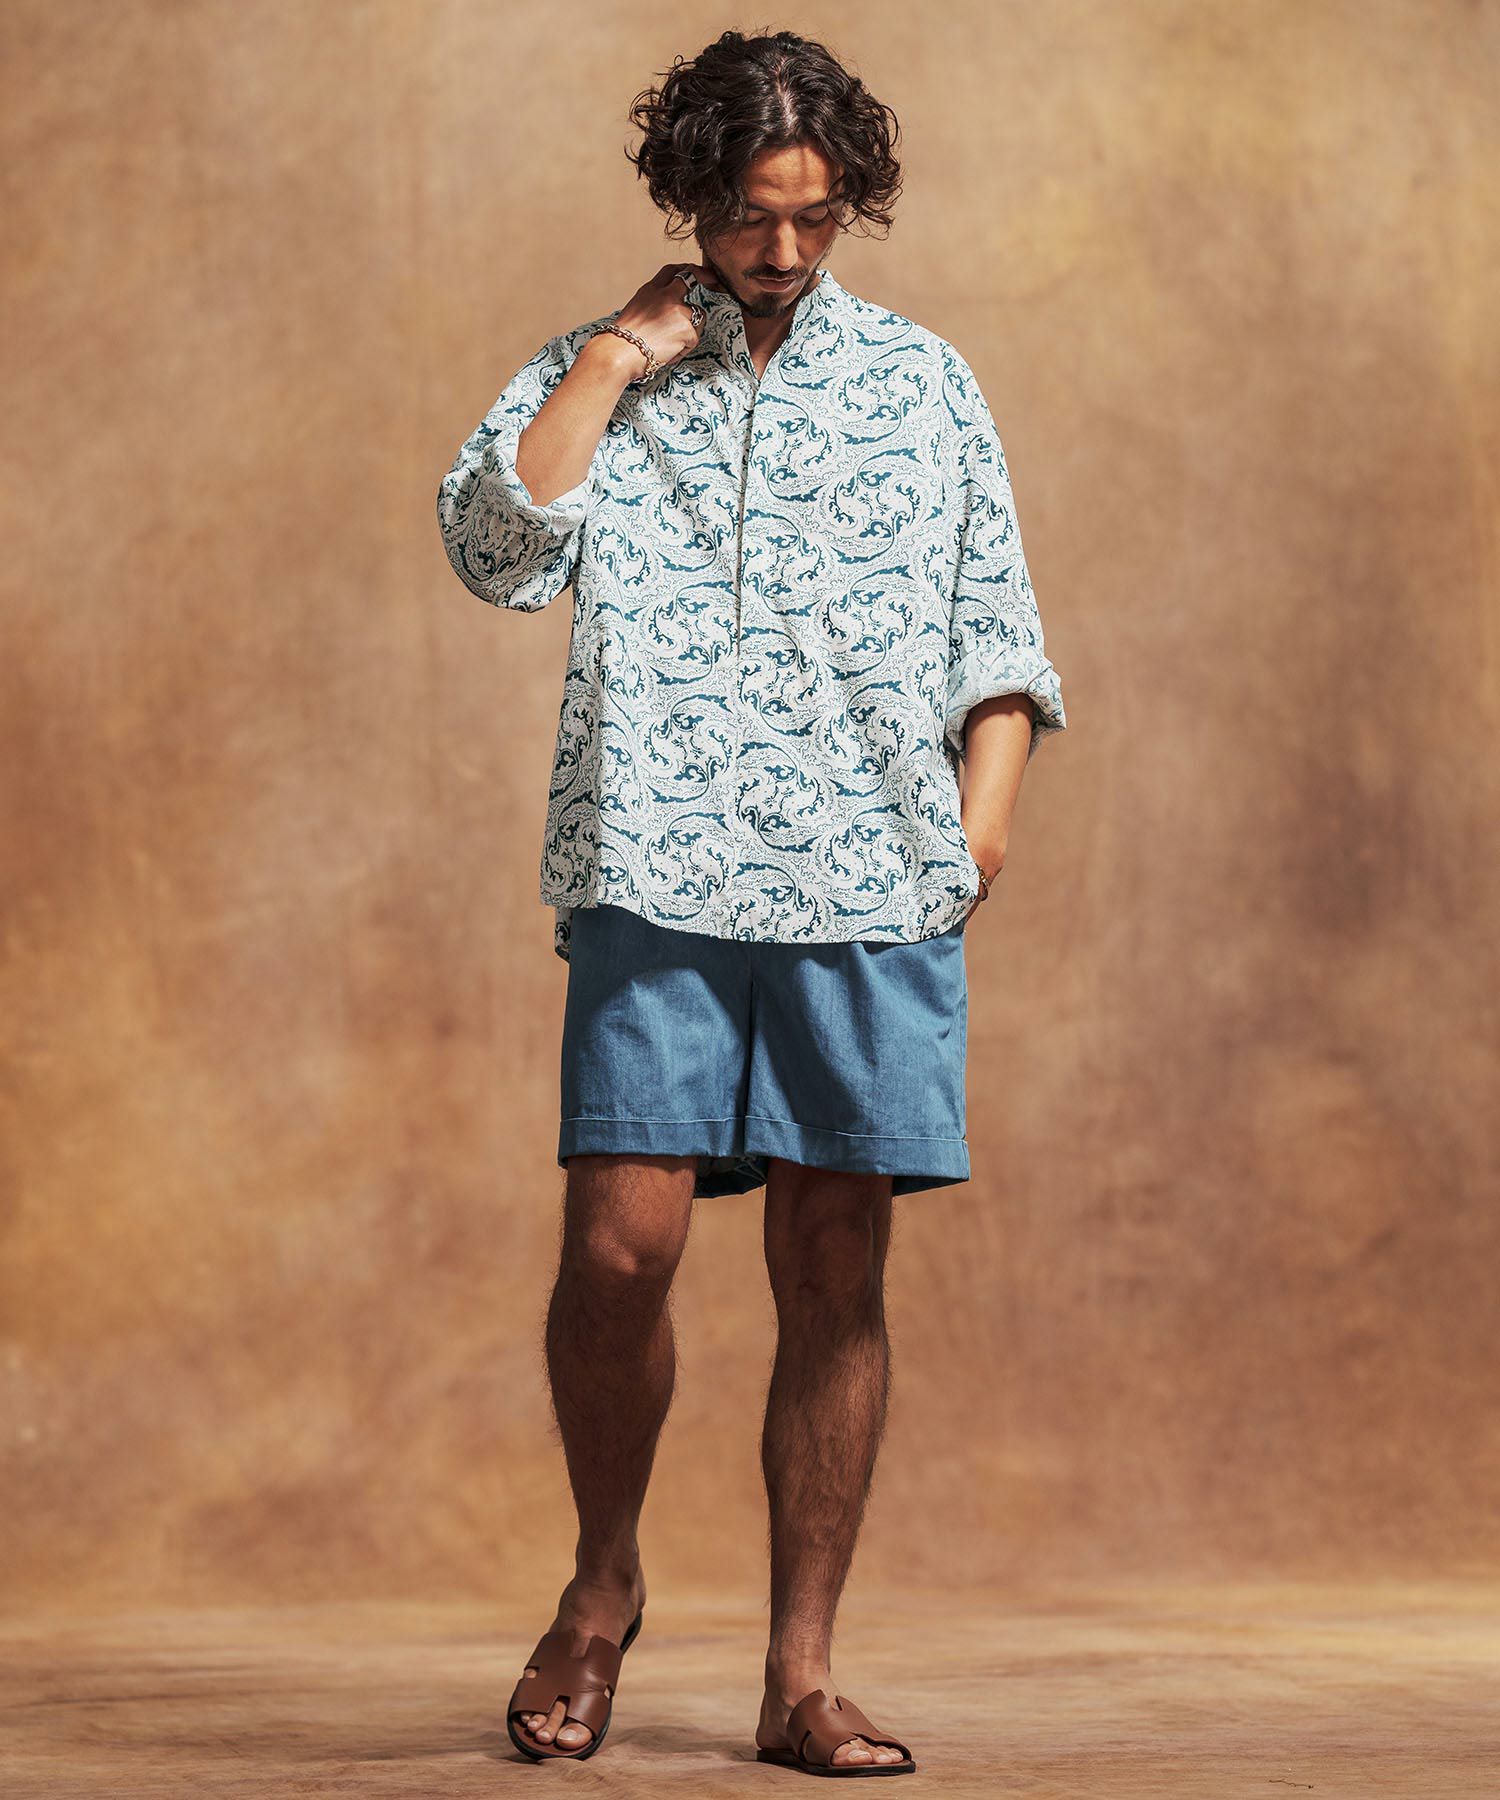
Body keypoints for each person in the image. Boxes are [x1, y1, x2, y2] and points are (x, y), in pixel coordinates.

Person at [436, 27, 1066, 1777]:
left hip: (870, 887)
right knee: (618, 1250)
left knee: (833, 1263)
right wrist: (616, 356)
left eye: (814, 215)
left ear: (850, 199)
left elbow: (1001, 637)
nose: (781, 250)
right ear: (688, 195)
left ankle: (800, 1675)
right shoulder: (606, 366)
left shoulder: (923, 384)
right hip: (652, 873)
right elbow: (496, 549)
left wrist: (977, 842)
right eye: (745, 216)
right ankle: (602, 1589)